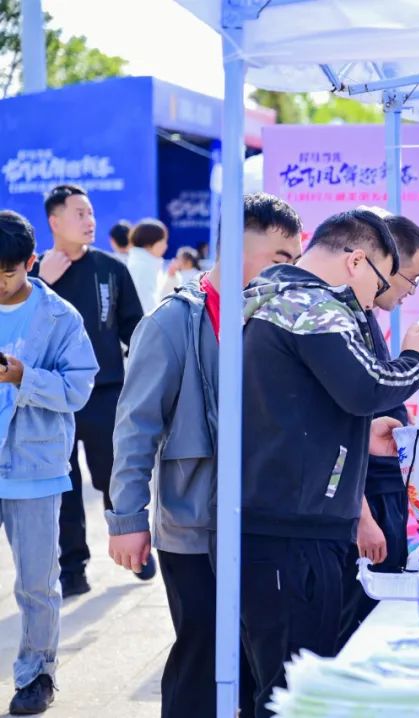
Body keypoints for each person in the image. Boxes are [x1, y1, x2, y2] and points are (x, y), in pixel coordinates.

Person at [107, 193, 303, 718]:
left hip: (267, 520)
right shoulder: (172, 323)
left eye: (295, 259)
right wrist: (127, 519)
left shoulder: (284, 318)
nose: (290, 271)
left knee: (257, 661)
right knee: (201, 654)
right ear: (235, 246)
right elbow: (135, 428)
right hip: (193, 525)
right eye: (280, 257)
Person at [235, 208, 419, 716]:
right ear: (356, 261)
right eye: (380, 282)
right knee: (294, 689)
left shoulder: (277, 297)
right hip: (292, 527)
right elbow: (367, 387)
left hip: (285, 518)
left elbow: (302, 407)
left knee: (290, 681)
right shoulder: (311, 306)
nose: (372, 301)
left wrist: (360, 436)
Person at [0, 210, 98, 715]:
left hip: (34, 468)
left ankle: (37, 675)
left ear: (30, 262)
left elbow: (78, 389)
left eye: (8, 272)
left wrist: (24, 377)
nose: (0, 282)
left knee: (37, 583)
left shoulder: (60, 318)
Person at [32, 184, 145, 598]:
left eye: (91, 212)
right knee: (63, 486)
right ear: (54, 221)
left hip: (105, 393)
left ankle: (134, 545)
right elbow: (17, 327)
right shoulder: (33, 274)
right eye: (79, 213)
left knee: (115, 476)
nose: (90, 221)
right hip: (52, 398)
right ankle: (72, 568)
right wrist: (41, 282)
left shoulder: (110, 268)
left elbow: (135, 328)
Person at [338, 213, 419, 649]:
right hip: (362, 497)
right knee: (357, 624)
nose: (411, 290)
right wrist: (362, 517)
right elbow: (336, 425)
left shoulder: (364, 317)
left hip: (382, 486)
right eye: (410, 278)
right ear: (380, 263)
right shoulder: (337, 322)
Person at [126, 219, 169, 315]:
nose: (166, 246)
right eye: (164, 241)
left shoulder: (145, 263)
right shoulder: (143, 267)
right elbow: (148, 308)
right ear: (152, 242)